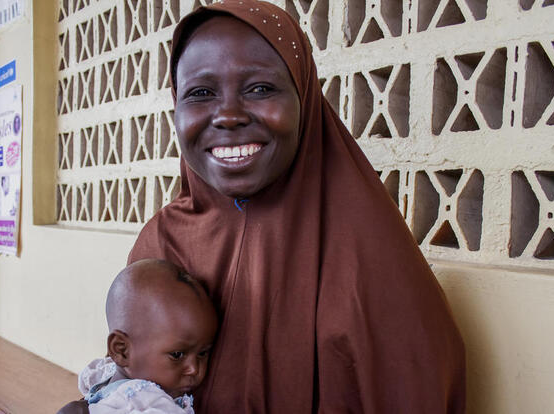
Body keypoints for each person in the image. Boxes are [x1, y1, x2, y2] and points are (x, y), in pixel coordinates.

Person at [64, 0, 465, 412]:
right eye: (201, 93)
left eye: (260, 89)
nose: (229, 115)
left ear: (304, 99)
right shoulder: (162, 244)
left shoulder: (370, 256)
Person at [71, 259, 217, 414]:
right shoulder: (149, 403)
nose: (194, 369)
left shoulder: (107, 374)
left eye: (202, 353)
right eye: (177, 355)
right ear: (121, 351)